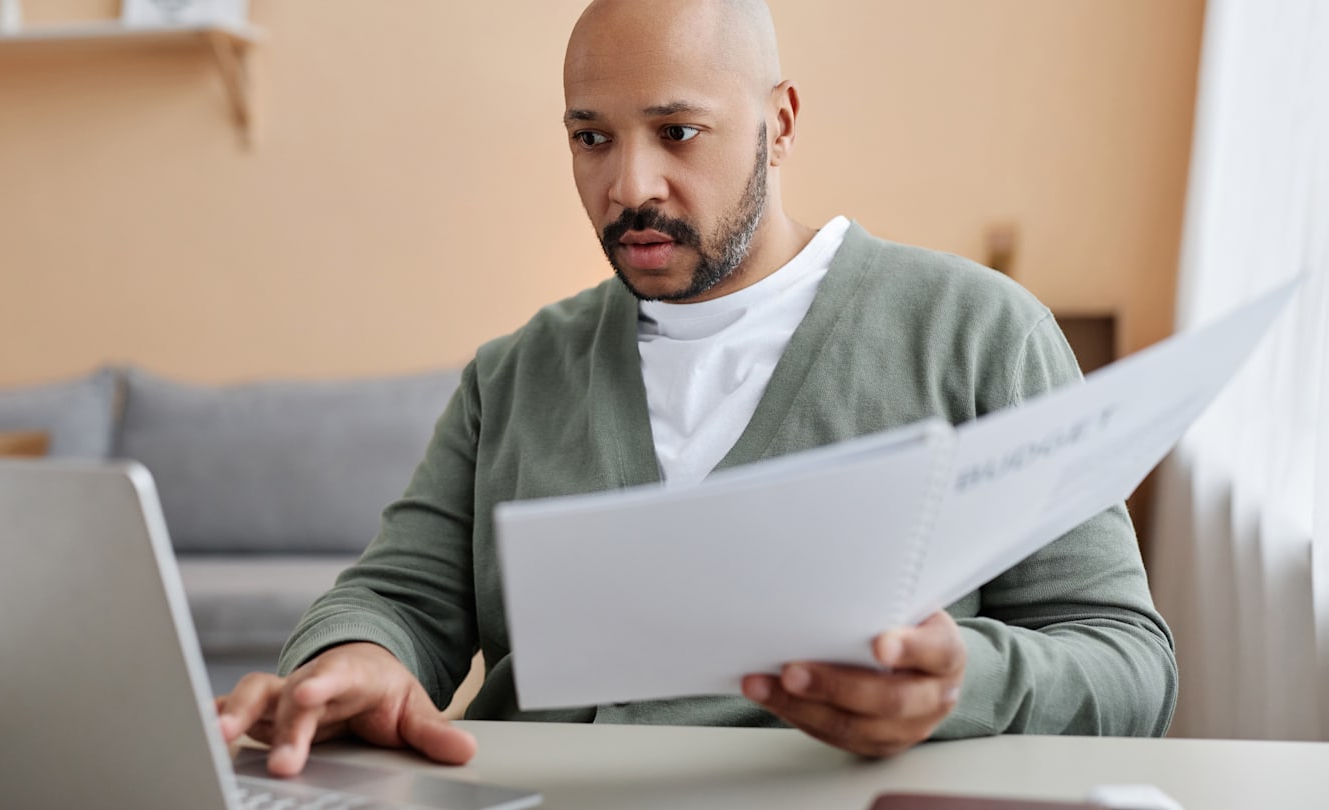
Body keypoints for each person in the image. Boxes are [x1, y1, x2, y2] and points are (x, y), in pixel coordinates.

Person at [216, 0, 1177, 776]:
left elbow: (1128, 662)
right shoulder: (514, 373)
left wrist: (961, 685)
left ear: (781, 121)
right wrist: (356, 659)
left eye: (678, 132)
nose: (630, 185)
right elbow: (396, 597)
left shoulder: (978, 331)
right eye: (591, 139)